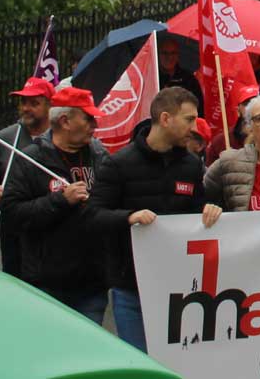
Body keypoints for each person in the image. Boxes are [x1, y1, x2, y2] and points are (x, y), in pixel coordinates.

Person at [90, 87, 218, 351]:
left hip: (179, 286)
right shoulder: (118, 164)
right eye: (189, 119)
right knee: (140, 362)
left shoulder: (191, 165)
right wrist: (128, 217)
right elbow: (92, 216)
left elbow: (197, 210)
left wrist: (209, 210)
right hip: (132, 287)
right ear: (165, 118)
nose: (194, 127)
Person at [0, 87, 112, 321]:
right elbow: (12, 214)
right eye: (88, 118)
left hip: (92, 284)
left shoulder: (101, 157)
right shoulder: (31, 160)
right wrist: (60, 200)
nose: (95, 125)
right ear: (65, 121)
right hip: (47, 285)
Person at [0, 75, 54, 278]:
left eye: (34, 103)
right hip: (13, 230)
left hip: (50, 229)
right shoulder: (6, 138)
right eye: (23, 102)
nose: (26, 108)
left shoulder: (61, 138)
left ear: (50, 106)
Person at [156, 34, 203, 106]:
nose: (169, 57)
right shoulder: (153, 79)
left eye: (173, 53)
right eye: (165, 53)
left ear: (178, 55)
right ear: (158, 55)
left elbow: (198, 106)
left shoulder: (189, 79)